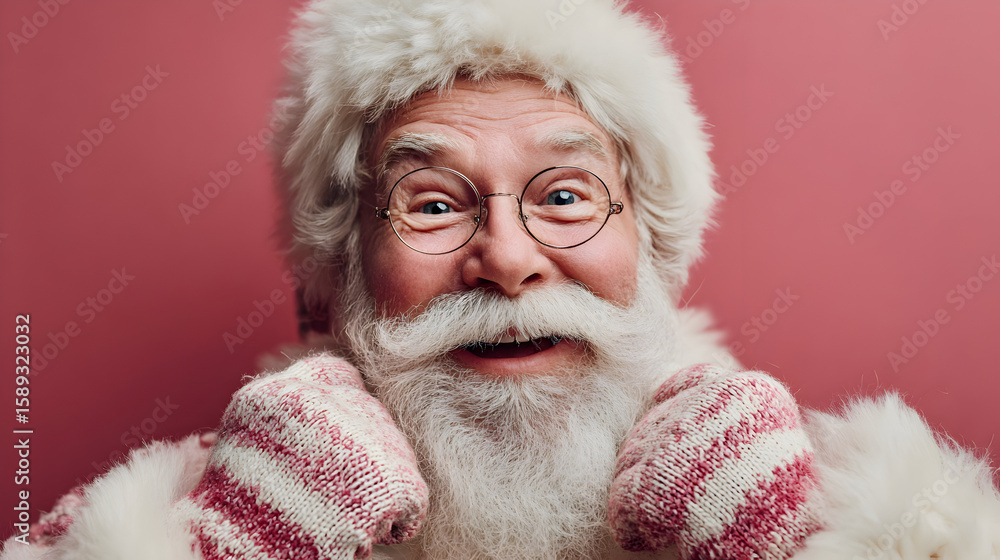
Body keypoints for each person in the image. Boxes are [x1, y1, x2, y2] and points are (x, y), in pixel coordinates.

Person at [3, 0, 998, 559]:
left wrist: (802, 541)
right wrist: (233, 544)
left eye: (565, 195)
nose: (510, 259)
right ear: (335, 280)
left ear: (651, 258)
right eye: (432, 204)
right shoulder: (195, 513)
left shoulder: (837, 499)